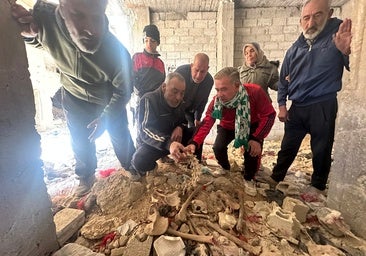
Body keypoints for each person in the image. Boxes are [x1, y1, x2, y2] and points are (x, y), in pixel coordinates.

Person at [11, 0, 136, 197]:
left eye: (96, 18)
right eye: (78, 16)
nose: (90, 29)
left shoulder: (118, 54)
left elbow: (123, 92)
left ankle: (132, 167)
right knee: (79, 140)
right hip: (73, 96)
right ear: (62, 9)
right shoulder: (46, 22)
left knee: (120, 135)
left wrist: (106, 117)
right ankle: (85, 177)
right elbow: (42, 41)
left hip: (108, 100)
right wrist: (29, 35)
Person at [264, 0, 352, 194]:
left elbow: (355, 70)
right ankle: (276, 176)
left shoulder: (337, 38)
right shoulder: (294, 49)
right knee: (287, 146)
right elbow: (283, 82)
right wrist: (282, 105)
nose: (311, 22)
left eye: (317, 15)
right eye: (306, 17)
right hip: (298, 106)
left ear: (328, 14)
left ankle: (318, 186)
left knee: (321, 149)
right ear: (301, 21)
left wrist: (347, 52)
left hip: (323, 104)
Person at [174, 67, 276, 193]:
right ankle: (225, 168)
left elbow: (269, 115)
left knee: (252, 153)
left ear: (237, 85)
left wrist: (257, 138)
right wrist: (194, 142)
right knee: (218, 147)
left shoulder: (255, 92)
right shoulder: (217, 101)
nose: (220, 94)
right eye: (217, 90)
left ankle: (249, 178)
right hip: (227, 126)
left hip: (250, 125)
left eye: (224, 89)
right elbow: (206, 122)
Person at [128, 72, 194, 180]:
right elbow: (145, 130)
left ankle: (194, 165)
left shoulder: (180, 102)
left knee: (194, 132)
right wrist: (169, 144)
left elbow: (184, 121)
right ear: (164, 87)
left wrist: (180, 127)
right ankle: (153, 167)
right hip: (156, 143)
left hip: (174, 141)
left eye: (182, 93)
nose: (178, 97)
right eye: (174, 91)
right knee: (139, 161)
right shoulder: (148, 100)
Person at [175, 53, 214, 161]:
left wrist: (198, 117)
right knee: (179, 130)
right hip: (177, 108)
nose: (198, 75)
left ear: (208, 69)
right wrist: (179, 124)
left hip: (192, 109)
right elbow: (173, 99)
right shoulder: (180, 72)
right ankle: (178, 155)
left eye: (203, 72)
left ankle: (195, 160)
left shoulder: (209, 81)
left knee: (196, 130)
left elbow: (203, 100)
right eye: (196, 70)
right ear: (191, 66)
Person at [130, 24, 165, 124]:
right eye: (146, 40)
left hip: (156, 102)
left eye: (152, 41)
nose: (149, 43)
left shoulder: (160, 63)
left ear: (157, 43)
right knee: (141, 128)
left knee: (154, 127)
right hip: (141, 100)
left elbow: (162, 85)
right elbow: (131, 80)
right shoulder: (137, 58)